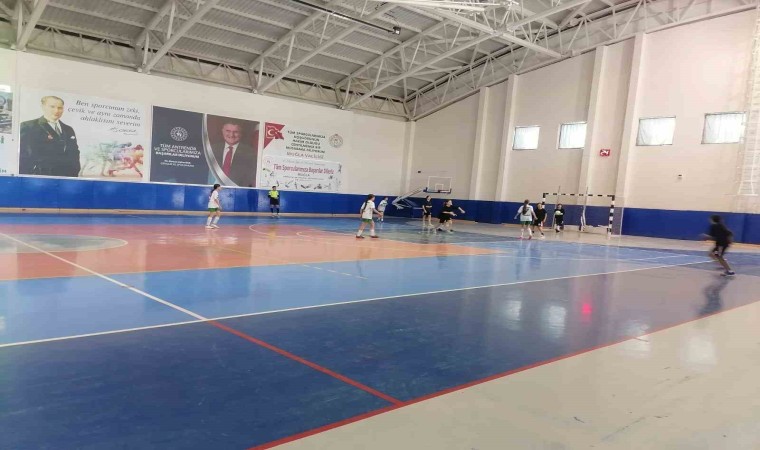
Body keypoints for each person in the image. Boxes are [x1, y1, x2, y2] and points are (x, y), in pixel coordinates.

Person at [19, 96, 80, 177]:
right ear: (43, 107)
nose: (56, 111)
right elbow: (23, 155)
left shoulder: (68, 129)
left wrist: (74, 173)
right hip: (40, 178)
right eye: (52, 107)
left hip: (66, 178)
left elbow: (74, 153)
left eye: (60, 108)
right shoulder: (28, 126)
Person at [212, 121, 257, 187]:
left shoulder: (250, 153)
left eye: (236, 132)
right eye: (228, 131)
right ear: (222, 131)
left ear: (241, 133)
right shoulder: (213, 149)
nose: (231, 135)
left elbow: (250, 179)